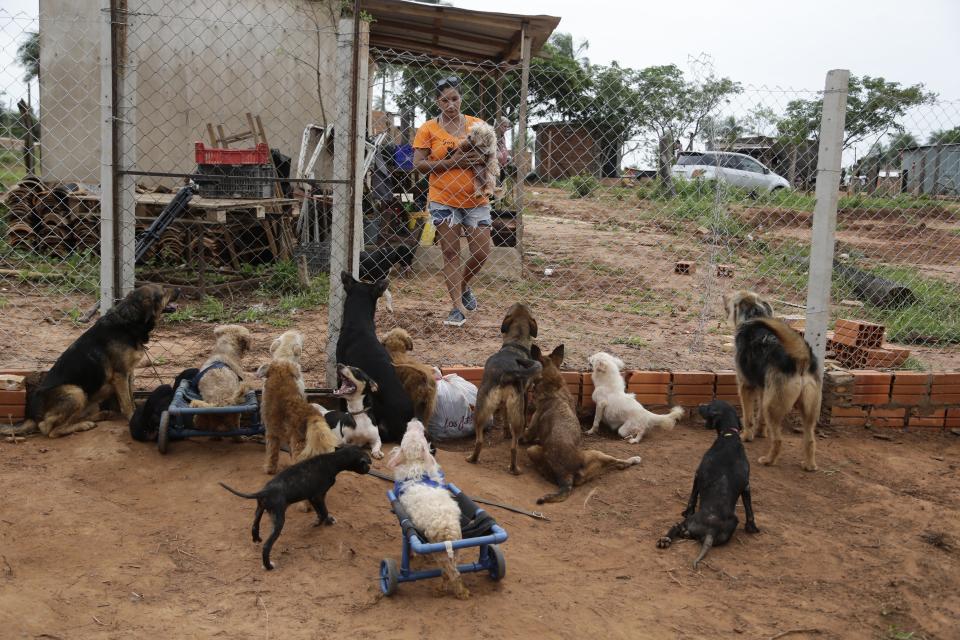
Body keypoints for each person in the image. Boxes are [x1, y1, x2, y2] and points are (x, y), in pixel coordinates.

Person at [412, 76, 492, 327]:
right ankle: (456, 307)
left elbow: (494, 153)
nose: (450, 105)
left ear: (461, 99)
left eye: (455, 99)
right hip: (443, 200)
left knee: (481, 251)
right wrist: (452, 163)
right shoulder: (428, 129)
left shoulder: (476, 125)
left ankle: (464, 285)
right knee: (450, 252)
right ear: (437, 102)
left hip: (476, 198)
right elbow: (418, 165)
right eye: (445, 100)